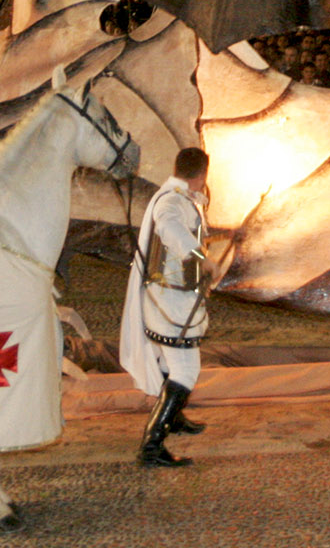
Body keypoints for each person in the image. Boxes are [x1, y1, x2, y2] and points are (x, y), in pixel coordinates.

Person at [120, 147, 214, 468]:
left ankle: (174, 417)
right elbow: (171, 229)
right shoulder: (172, 200)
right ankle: (152, 445)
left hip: (169, 297)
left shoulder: (176, 193)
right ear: (202, 175)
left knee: (169, 360)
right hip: (170, 302)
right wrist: (203, 258)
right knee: (187, 370)